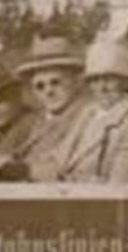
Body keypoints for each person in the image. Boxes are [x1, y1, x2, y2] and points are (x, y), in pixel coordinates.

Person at [66, 38, 128, 183]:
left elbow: (122, 186)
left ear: (125, 82)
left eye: (109, 79)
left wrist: (69, 180)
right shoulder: (86, 114)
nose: (102, 88)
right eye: (95, 80)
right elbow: (59, 161)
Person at [11, 35, 93, 182]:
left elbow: (65, 169)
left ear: (75, 82)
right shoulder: (40, 123)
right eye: (40, 86)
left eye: (55, 82)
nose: (48, 91)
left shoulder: (88, 118)